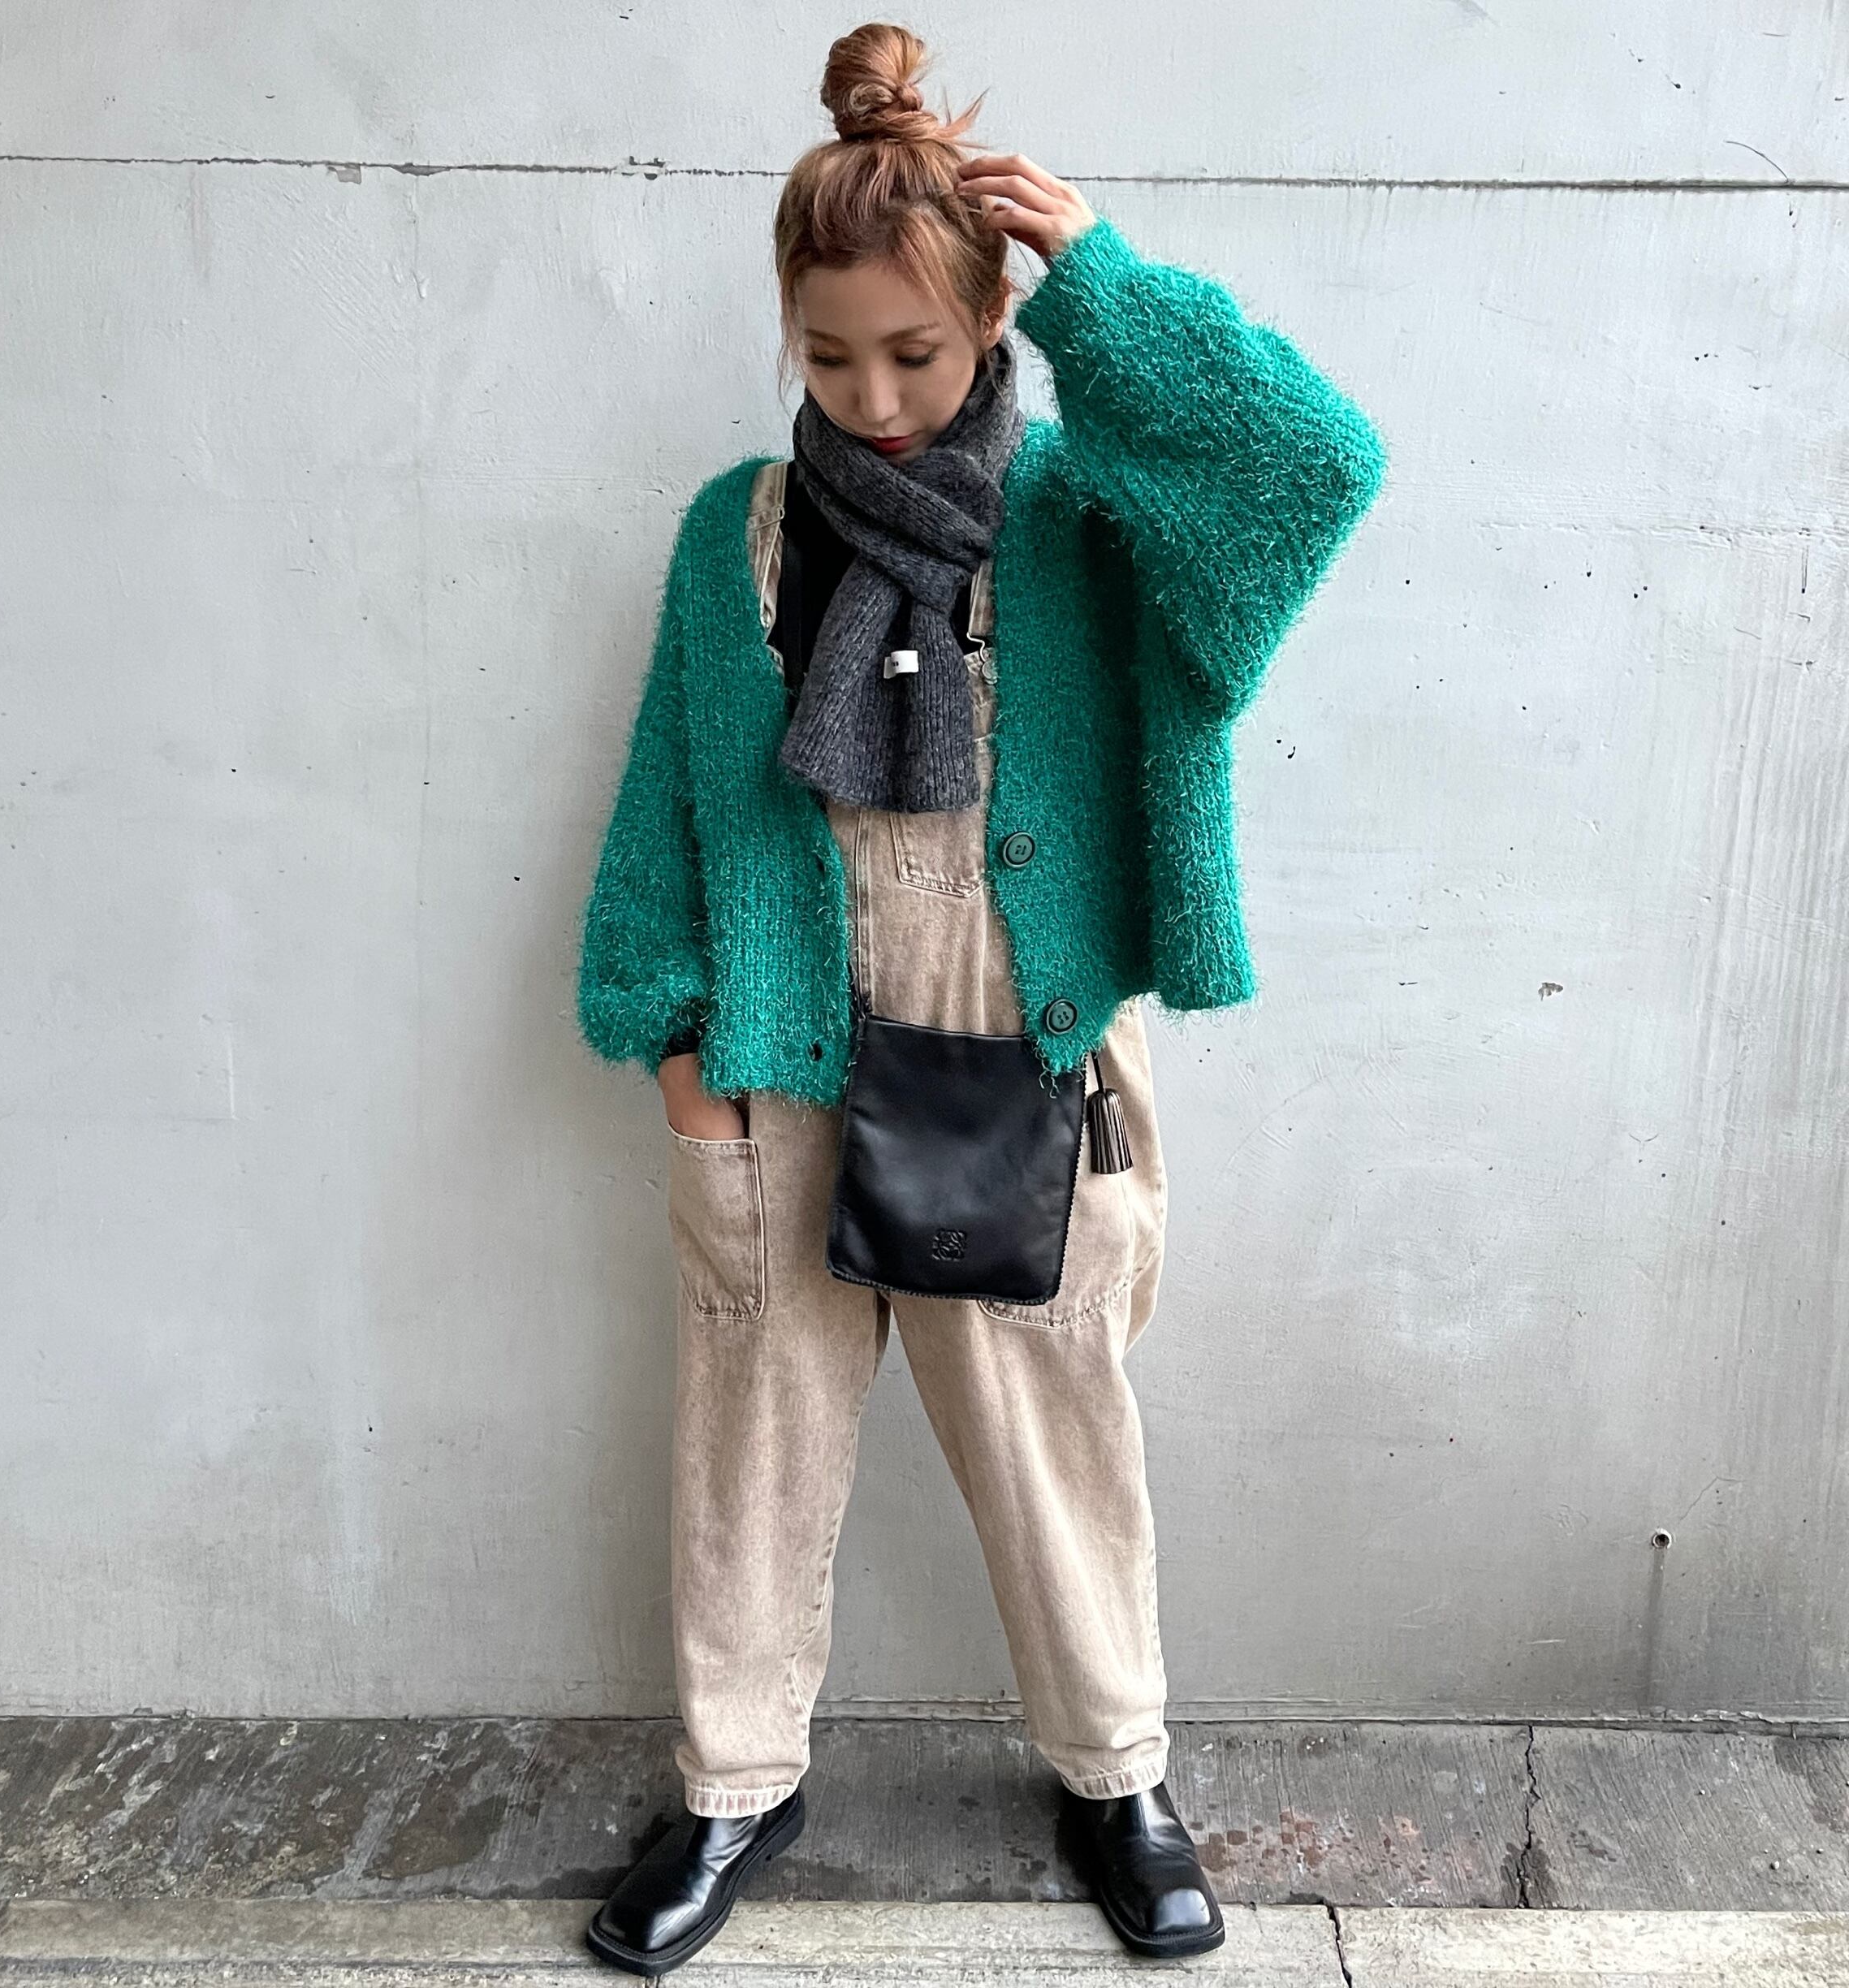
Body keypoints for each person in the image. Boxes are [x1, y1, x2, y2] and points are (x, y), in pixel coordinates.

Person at [572, 22, 1386, 1976]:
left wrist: (1106, 285)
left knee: (1052, 1426)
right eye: (829, 357)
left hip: (1020, 1028)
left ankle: (1115, 1776)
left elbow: (1311, 474)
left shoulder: (1100, 523)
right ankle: (734, 1781)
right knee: (751, 1431)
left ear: (992, 320)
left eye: (916, 355)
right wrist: (674, 1042)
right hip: (782, 1029)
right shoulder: (738, 530)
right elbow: (676, 789)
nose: (871, 399)